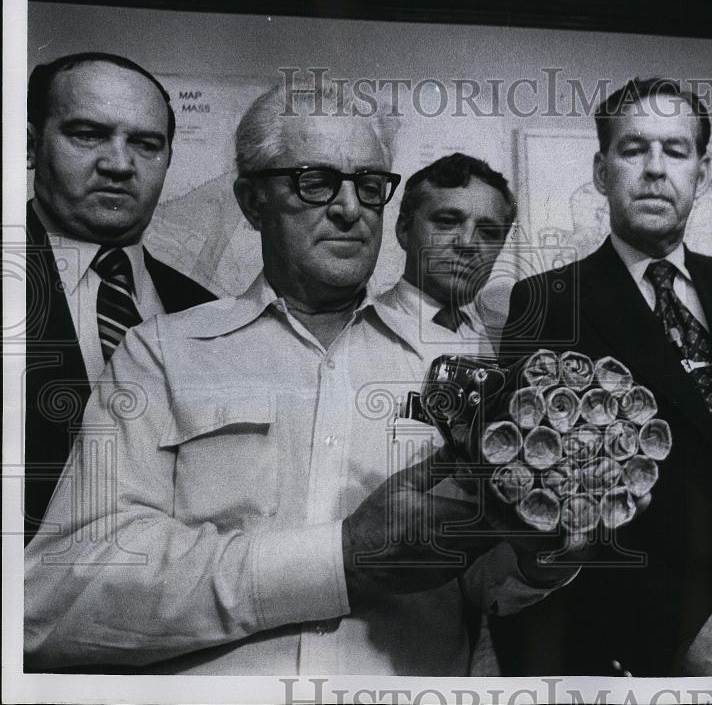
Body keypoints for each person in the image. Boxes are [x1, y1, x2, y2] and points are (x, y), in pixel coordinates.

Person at [24, 83, 568, 675]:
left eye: (368, 186)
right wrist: (342, 558)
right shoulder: (162, 353)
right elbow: (54, 602)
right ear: (253, 201)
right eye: (315, 181)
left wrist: (542, 551)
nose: (349, 208)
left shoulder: (459, 379)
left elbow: (482, 588)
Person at [490, 77, 712, 677]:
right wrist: (688, 634)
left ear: (701, 172)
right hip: (652, 652)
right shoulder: (549, 302)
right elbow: (551, 501)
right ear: (602, 170)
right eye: (634, 149)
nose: (656, 169)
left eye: (676, 150)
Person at [24, 52, 215, 542]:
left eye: (146, 144)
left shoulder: (204, 311)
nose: (119, 164)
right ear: (29, 144)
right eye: (87, 135)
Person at [376, 153, 517, 360]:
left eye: (488, 233)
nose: (467, 243)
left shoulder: (511, 338)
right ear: (404, 229)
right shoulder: (356, 327)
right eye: (447, 222)